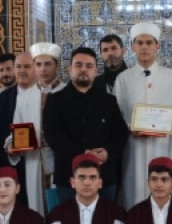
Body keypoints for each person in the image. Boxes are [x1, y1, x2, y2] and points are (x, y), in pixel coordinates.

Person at [116, 22, 172, 208]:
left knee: (163, 196)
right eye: (139, 43)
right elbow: (117, 115)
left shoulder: (171, 77)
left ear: (158, 46)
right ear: (133, 47)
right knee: (133, 195)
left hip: (163, 147)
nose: (144, 47)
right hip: (133, 149)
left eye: (149, 42)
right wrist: (129, 129)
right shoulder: (123, 78)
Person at [45, 47, 128, 204]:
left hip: (104, 175)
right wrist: (83, 153)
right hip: (69, 175)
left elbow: (120, 134)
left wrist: (107, 153)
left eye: (89, 66)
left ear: (96, 71)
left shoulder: (108, 100)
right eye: (78, 65)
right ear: (70, 69)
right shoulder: (55, 100)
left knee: (104, 223)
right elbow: (53, 137)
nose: (83, 69)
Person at [4, 46, 54, 214]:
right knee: (37, 210)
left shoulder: (66, 92)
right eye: (38, 64)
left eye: (47, 64)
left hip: (60, 162)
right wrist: (11, 146)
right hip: (34, 162)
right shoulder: (25, 96)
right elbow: (16, 130)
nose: (43, 69)